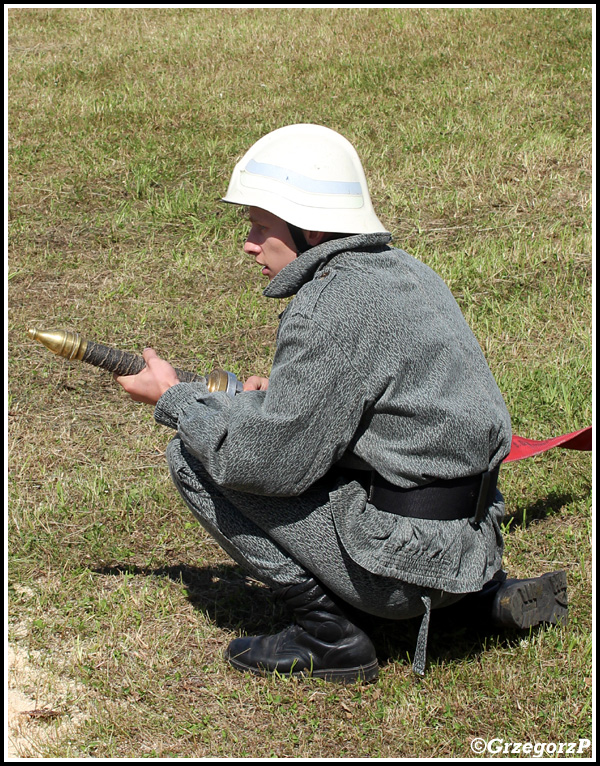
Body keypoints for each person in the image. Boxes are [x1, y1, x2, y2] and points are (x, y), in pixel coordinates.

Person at [115, 124, 567, 682]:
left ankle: (328, 636)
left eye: (260, 226)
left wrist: (177, 400)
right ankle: (479, 600)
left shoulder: (329, 306)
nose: (249, 243)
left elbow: (272, 465)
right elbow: (373, 418)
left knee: (192, 454)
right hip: (474, 545)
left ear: (311, 228)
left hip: (404, 566)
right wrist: (269, 401)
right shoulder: (407, 273)